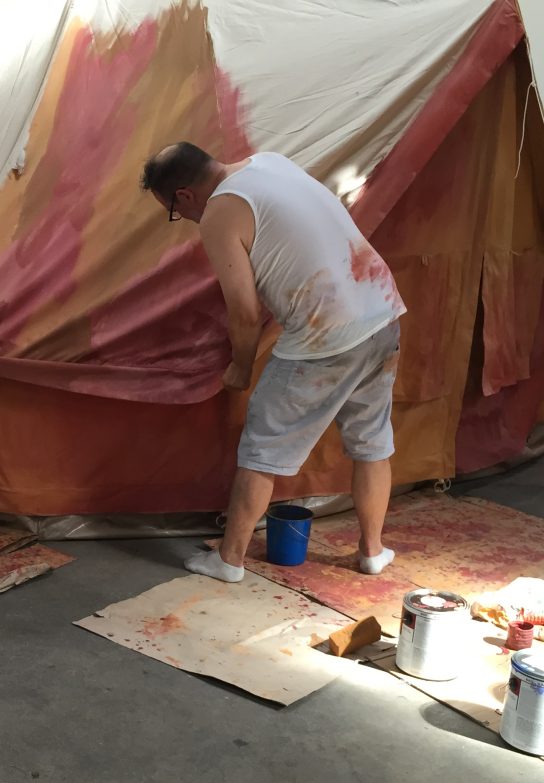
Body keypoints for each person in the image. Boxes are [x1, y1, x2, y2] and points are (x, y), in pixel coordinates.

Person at [141, 142, 406, 582]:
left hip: (326, 336)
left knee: (263, 448)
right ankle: (372, 552)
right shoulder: (270, 162)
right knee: (372, 441)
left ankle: (228, 560)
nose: (184, 219)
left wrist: (240, 368)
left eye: (175, 212)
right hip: (380, 312)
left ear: (184, 196)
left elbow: (244, 312)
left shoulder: (220, 213)